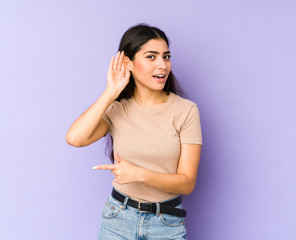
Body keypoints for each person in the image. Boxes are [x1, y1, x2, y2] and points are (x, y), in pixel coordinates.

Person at [65, 24, 202, 239]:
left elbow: (187, 183)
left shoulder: (186, 111)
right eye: (151, 57)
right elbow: (75, 138)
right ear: (129, 63)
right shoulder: (117, 109)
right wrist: (111, 92)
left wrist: (138, 174)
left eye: (166, 57)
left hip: (166, 222)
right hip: (118, 219)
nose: (162, 65)